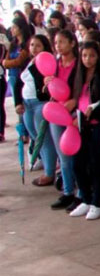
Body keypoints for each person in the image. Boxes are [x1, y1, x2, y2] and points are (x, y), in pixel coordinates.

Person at [69, 41, 100, 220]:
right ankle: (85, 199)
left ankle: (96, 202)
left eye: (92, 55)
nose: (88, 59)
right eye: (84, 55)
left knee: (96, 165)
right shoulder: (78, 75)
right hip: (80, 125)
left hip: (97, 124)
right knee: (77, 164)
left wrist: (94, 110)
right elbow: (74, 98)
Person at [13, 35, 56, 186]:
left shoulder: (47, 62)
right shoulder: (27, 61)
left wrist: (37, 63)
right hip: (27, 104)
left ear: (45, 47)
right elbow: (18, 83)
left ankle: (50, 173)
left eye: (38, 45)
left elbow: (42, 82)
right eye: (31, 45)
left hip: (40, 103)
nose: (34, 48)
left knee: (44, 138)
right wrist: (18, 102)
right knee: (34, 136)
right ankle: (45, 163)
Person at [47, 29, 79, 210]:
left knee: (76, 154)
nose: (58, 46)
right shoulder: (55, 64)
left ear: (72, 43)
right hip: (56, 111)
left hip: (73, 113)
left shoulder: (78, 64)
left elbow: (82, 88)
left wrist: (74, 102)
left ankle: (81, 193)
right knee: (62, 154)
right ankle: (68, 192)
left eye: (62, 42)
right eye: (56, 42)